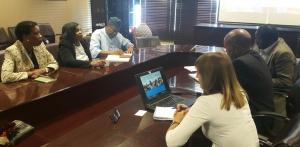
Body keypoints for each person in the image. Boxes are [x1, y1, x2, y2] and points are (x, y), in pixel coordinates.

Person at [166, 52, 259, 147]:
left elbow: (172, 142)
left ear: (208, 77)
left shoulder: (206, 102)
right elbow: (219, 113)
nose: (197, 76)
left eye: (198, 73)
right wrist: (191, 111)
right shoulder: (239, 93)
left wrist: (177, 120)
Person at [224, 29, 274, 114]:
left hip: (254, 116)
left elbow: (227, 90)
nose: (227, 52)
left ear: (234, 48)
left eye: (227, 49)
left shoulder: (239, 63)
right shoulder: (255, 55)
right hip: (265, 110)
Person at [255, 25, 296, 116]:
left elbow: (285, 82)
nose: (256, 41)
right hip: (263, 90)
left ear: (267, 39)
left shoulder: (283, 54)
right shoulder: (264, 44)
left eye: (258, 39)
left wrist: (259, 80)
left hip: (274, 97)